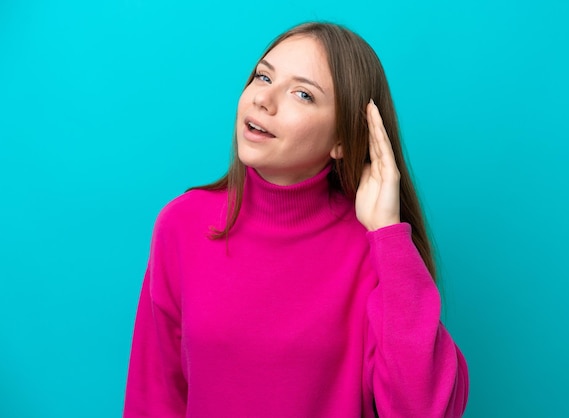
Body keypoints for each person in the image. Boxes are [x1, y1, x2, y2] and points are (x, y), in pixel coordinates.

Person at [124, 21, 469, 417]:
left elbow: (425, 409)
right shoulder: (182, 224)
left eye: (302, 94)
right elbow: (154, 396)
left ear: (342, 138)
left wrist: (389, 236)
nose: (264, 100)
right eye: (263, 76)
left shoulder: (374, 250)